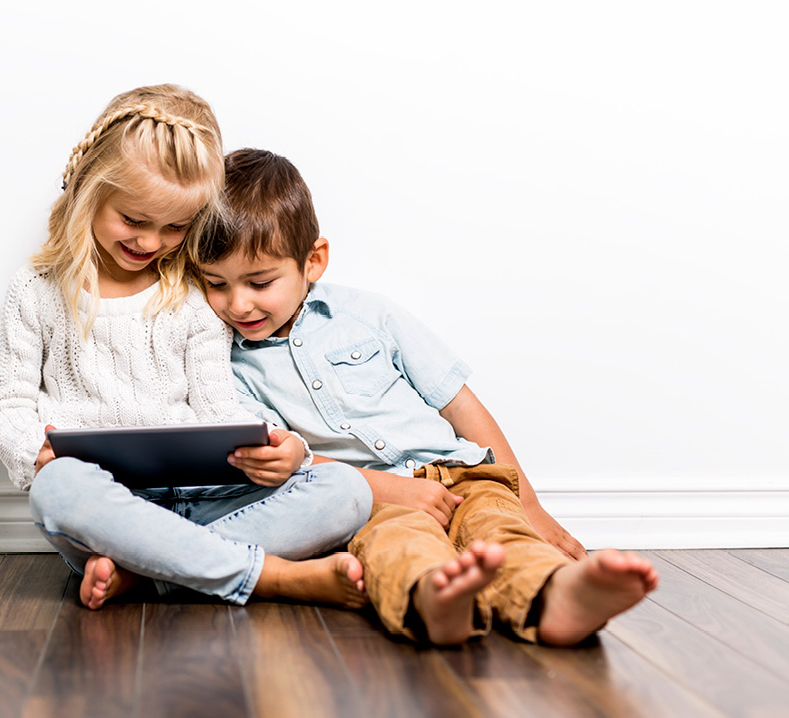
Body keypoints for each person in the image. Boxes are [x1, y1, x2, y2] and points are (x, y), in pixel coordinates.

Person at [196, 148, 658, 645]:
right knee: (396, 545)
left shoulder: (371, 317)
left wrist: (532, 506)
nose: (238, 303)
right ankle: (433, 599)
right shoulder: (227, 365)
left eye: (259, 282)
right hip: (375, 499)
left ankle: (554, 596)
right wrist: (387, 490)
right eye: (216, 284)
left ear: (313, 261)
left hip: (461, 475)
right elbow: (293, 461)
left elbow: (460, 406)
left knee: (499, 528)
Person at [0, 87, 372, 611]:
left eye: (176, 227)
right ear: (87, 190)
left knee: (347, 491)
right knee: (57, 490)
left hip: (210, 499)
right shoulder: (36, 289)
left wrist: (285, 450)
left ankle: (148, 573)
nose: (151, 242)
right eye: (134, 220)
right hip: (111, 511)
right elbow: (7, 404)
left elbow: (217, 407)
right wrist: (35, 453)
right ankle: (272, 577)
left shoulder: (191, 294)